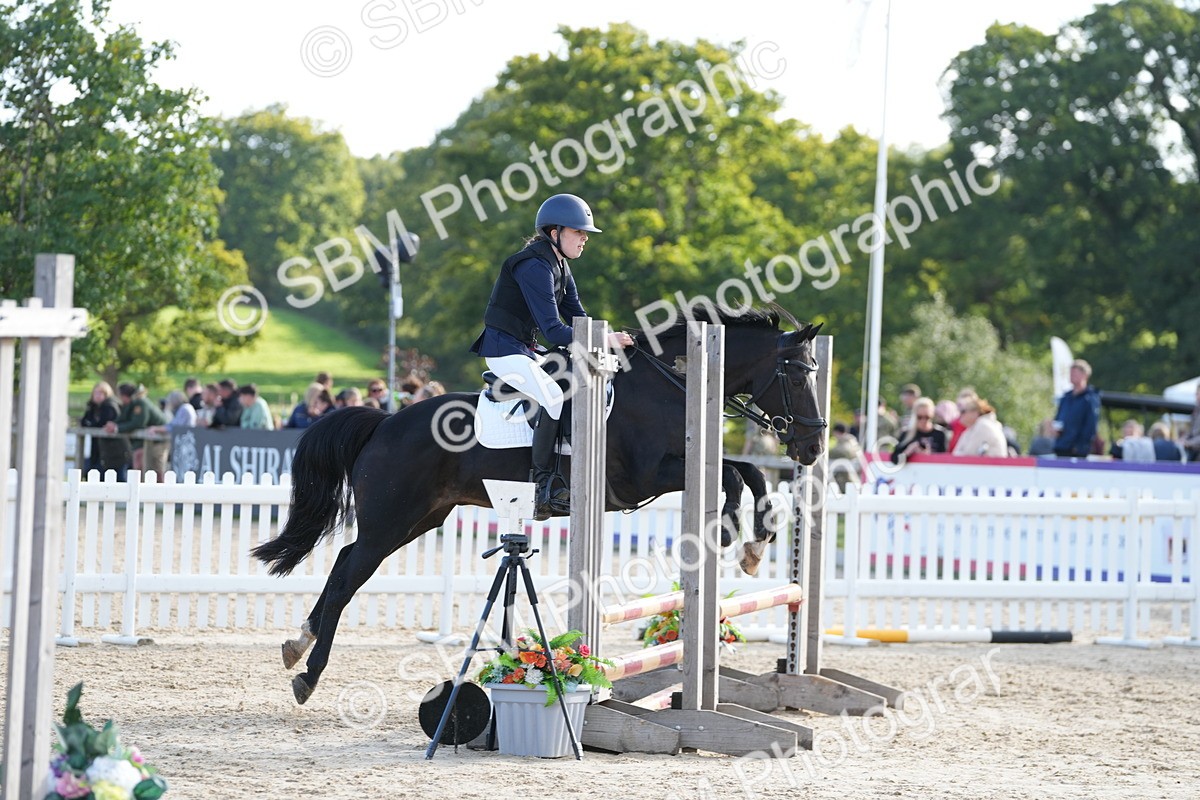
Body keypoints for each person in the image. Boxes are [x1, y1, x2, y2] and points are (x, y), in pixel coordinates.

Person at [469, 193, 633, 520]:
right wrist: (604, 339)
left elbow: (579, 318)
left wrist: (614, 338)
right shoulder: (533, 266)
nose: (585, 238)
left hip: (526, 349)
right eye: (578, 231)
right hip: (503, 350)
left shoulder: (559, 265)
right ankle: (542, 484)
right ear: (554, 233)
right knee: (554, 397)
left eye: (585, 233)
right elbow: (555, 331)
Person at [106, 383, 168, 479]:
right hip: (146, 440)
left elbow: (138, 423)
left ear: (124, 396)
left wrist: (117, 428)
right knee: (140, 466)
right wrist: (113, 424)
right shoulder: (131, 404)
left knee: (156, 468)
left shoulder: (140, 403)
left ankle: (158, 488)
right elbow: (124, 418)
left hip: (158, 440)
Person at [80, 381, 129, 476]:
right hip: (98, 448)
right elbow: (84, 422)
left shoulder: (110, 406)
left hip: (112, 449)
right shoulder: (92, 407)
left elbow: (102, 424)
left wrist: (91, 424)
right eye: (96, 393)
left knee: (114, 476)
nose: (98, 396)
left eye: (101, 393)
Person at [1053, 359, 1100, 457]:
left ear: (1085, 375)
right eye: (1071, 373)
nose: (1071, 376)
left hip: (1077, 450)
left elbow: (1091, 425)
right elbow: (1058, 417)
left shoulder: (1090, 398)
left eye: (1075, 373)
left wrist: (1081, 446)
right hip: (1061, 446)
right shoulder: (1066, 397)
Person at [890, 397, 948, 464]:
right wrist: (908, 452)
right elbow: (894, 459)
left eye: (927, 417)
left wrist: (929, 455)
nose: (923, 420)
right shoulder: (907, 434)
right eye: (919, 417)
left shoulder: (940, 434)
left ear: (932, 415)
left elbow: (945, 459)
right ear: (915, 416)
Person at [1183, 385, 1200, 462]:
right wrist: (1184, 439)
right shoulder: (1196, 411)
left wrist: (1189, 443)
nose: (1196, 397)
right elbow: (1191, 432)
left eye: (1198, 394)